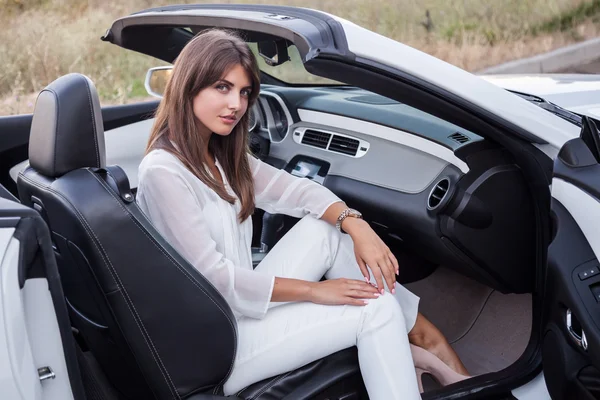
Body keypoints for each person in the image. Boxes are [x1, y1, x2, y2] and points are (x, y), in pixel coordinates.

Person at [136, 29, 468, 399]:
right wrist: (315, 291)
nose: (236, 105)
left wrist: (356, 225)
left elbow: (297, 191)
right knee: (377, 311)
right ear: (189, 86)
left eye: (244, 92)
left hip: (241, 311)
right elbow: (217, 282)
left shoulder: (217, 156)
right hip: (217, 344)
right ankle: (415, 342)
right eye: (222, 87)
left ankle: (421, 338)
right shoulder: (163, 172)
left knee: (325, 229)